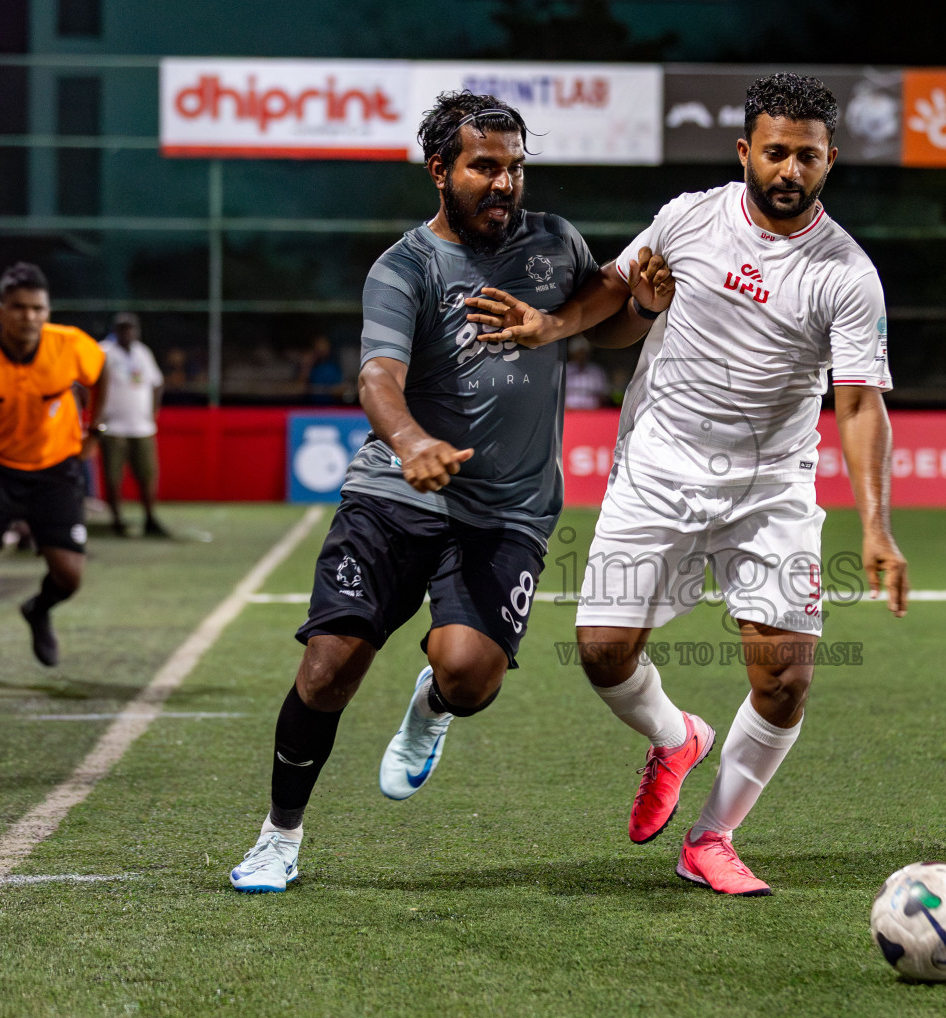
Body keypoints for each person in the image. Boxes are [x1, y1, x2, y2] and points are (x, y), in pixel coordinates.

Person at [465, 74, 910, 896]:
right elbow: (617, 285)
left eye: (807, 156)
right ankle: (675, 737)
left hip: (770, 488)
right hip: (660, 465)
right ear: (747, 151)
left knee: (784, 678)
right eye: (775, 151)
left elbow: (858, 403)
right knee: (602, 653)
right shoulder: (689, 216)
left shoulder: (847, 273)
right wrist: (550, 325)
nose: (790, 169)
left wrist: (876, 526)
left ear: (830, 161)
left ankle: (712, 838)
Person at [229, 91, 675, 893]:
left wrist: (638, 306)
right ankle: (278, 836)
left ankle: (431, 705)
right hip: (397, 495)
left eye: (515, 168)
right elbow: (377, 376)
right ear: (440, 170)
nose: (504, 184)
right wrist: (411, 442)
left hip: (508, 512)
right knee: (330, 667)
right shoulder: (404, 268)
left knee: (468, 676)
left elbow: (596, 318)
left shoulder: (553, 243)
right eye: (485, 167)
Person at [0, 262, 107, 681]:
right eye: (18, 307)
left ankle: (38, 609)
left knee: (69, 576)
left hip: (55, 472)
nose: (29, 316)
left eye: (37, 308)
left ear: (47, 311)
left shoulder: (70, 345)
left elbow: (100, 374)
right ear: (0, 311)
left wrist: (95, 428)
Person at [98, 312, 168, 538]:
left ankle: (150, 518)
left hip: (142, 427)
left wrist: (153, 412)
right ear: (115, 330)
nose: (127, 333)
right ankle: (117, 521)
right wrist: (97, 415)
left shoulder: (142, 352)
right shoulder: (104, 352)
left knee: (147, 475)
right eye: (123, 328)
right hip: (113, 427)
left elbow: (157, 383)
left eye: (131, 329)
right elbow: (86, 382)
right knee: (113, 477)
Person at [563, 337, 612, 410]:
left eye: (583, 353)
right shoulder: (565, 370)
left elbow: (604, 395)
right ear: (573, 354)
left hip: (593, 413)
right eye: (579, 353)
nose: (581, 356)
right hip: (569, 412)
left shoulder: (597, 371)